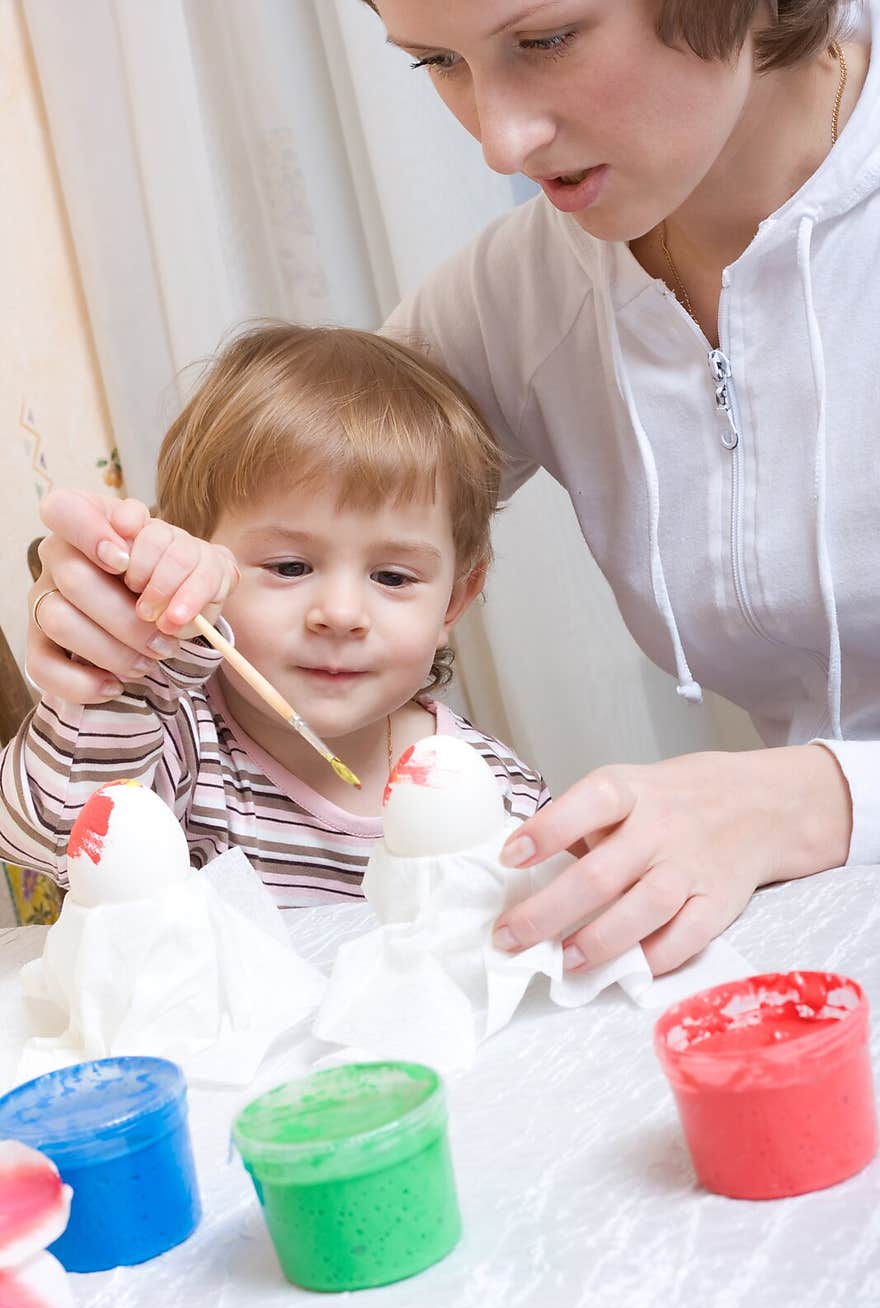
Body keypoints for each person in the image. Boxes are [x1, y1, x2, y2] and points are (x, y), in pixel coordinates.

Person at [23, 1, 876, 975]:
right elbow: (276, 500)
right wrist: (122, 593)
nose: (500, 145)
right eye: (437, 61)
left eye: (545, 39)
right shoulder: (520, 295)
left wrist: (820, 796)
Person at [0, 323, 548, 909]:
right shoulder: (178, 744)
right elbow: (53, 836)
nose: (339, 615)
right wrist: (142, 649)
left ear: (455, 602)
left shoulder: (497, 793)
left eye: (392, 577)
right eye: (289, 567)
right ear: (202, 570)